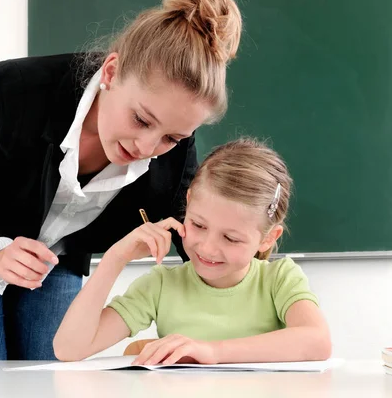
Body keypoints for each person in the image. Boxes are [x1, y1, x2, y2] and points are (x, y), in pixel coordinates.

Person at [0, 0, 242, 360]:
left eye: (172, 138)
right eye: (141, 120)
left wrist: (247, 299)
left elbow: (191, 234)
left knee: (52, 376)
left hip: (56, 255)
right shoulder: (4, 90)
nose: (147, 146)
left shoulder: (173, 150)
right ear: (111, 72)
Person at [54, 138, 332, 364]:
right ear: (187, 201)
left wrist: (211, 352)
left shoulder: (279, 279)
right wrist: (115, 258)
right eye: (198, 224)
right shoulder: (161, 285)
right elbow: (69, 349)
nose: (208, 247)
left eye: (231, 238)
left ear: (268, 239)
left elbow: (317, 341)